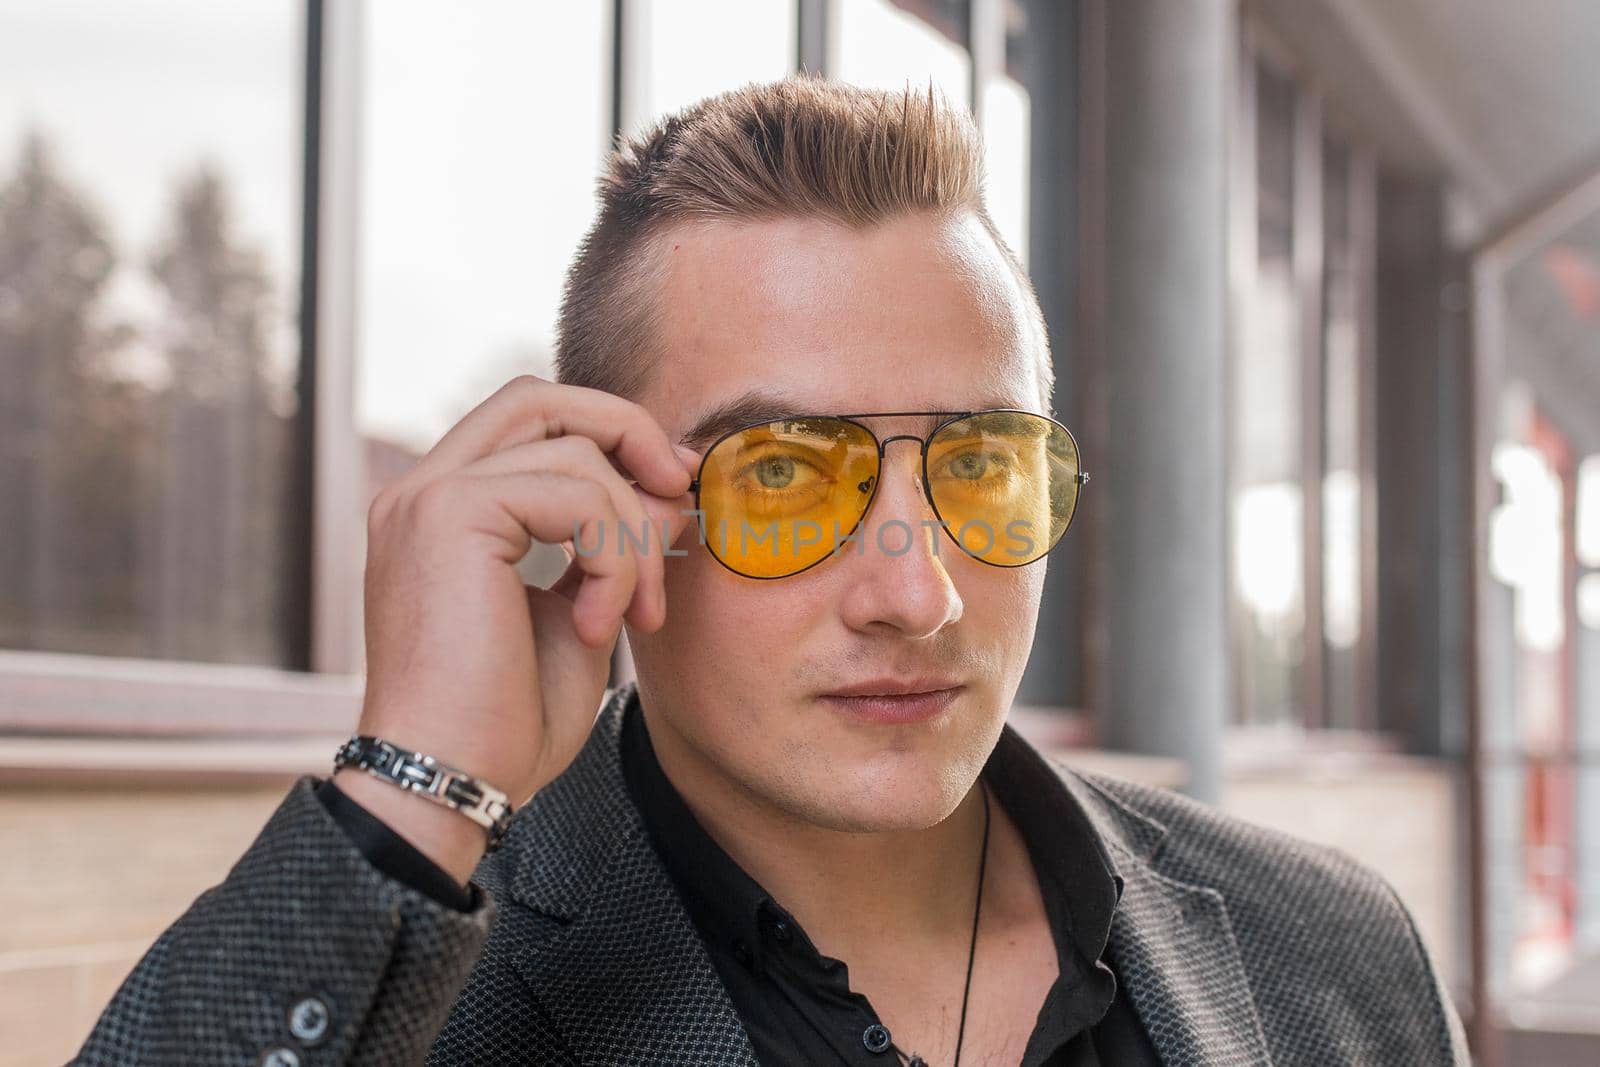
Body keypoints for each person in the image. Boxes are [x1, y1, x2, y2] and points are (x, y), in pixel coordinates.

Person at [75, 75, 1469, 1066]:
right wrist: (415, 783)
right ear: (611, 506)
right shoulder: (411, 990)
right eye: (789, 479)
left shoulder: (1332, 952)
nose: (914, 597)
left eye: (981, 467)